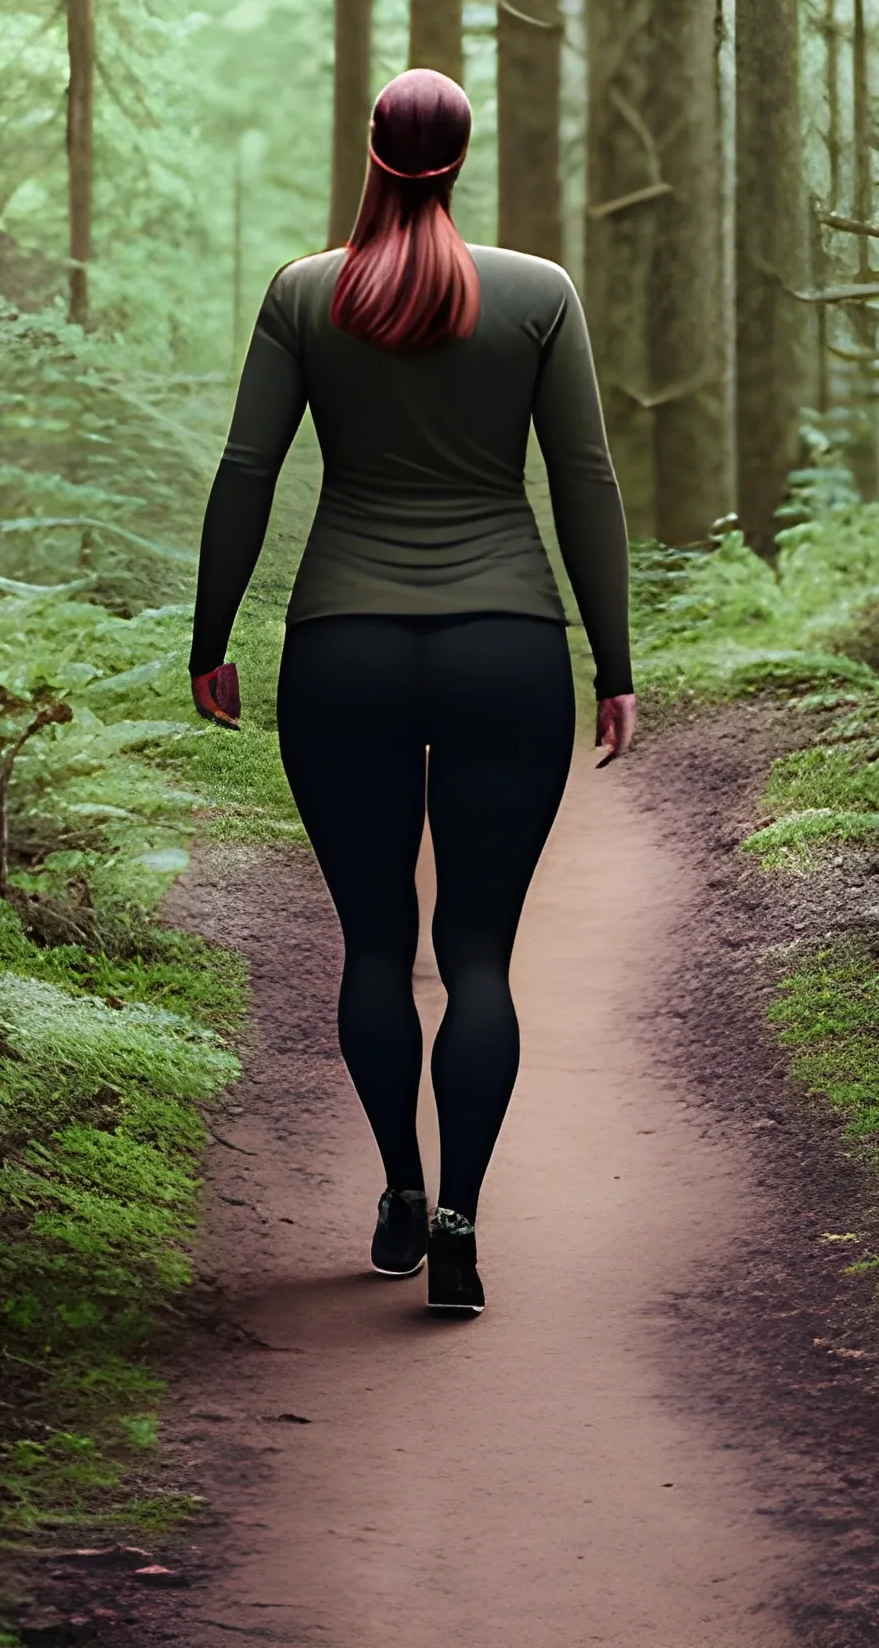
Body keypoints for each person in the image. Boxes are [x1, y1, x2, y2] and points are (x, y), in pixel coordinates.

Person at [187, 68, 636, 1318]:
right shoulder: (538, 294)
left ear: (374, 150)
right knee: (478, 955)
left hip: (345, 647)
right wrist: (613, 661)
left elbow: (245, 469)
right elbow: (584, 481)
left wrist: (210, 635)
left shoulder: (304, 294)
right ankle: (457, 1222)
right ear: (462, 152)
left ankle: (392, 1183)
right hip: (507, 644)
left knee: (377, 946)